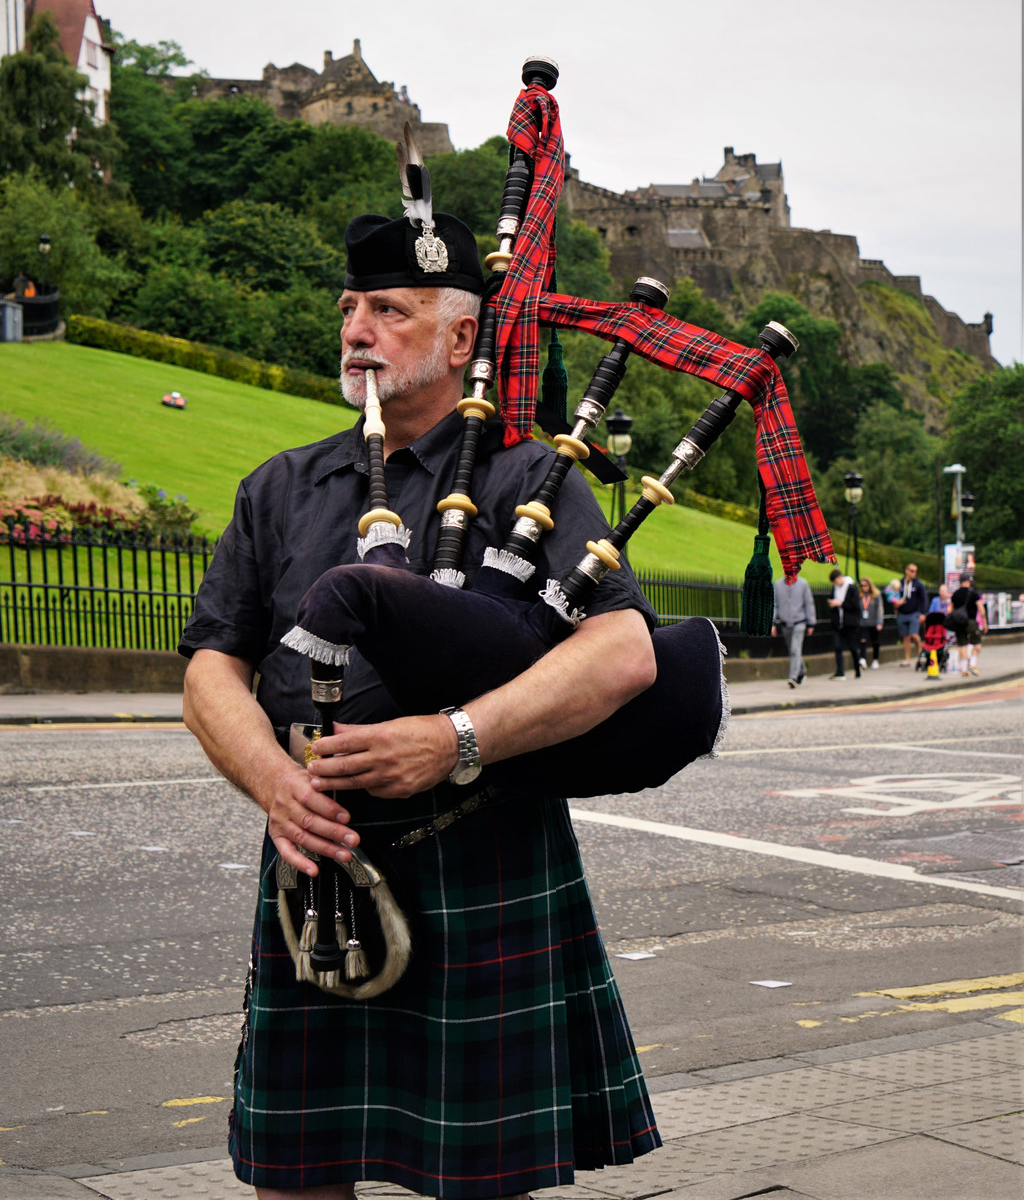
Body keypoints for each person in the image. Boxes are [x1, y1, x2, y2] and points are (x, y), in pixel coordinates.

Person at [180, 207, 662, 1199]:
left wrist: (458, 738)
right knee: (295, 1170)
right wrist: (275, 780)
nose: (357, 326)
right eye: (350, 305)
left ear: (459, 339)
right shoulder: (277, 489)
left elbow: (621, 650)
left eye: (389, 309)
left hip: (478, 839)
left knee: (477, 1175)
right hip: (318, 855)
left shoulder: (528, 476)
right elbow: (208, 669)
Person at [771, 572, 816, 689]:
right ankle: (802, 671)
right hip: (785, 624)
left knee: (795, 649)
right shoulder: (777, 584)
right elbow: (774, 604)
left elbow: (809, 603)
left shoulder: (803, 584)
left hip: (799, 622)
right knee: (793, 650)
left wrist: (811, 622)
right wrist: (772, 623)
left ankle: (793, 677)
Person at [827, 567, 861, 679]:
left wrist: (840, 603)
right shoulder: (835, 589)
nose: (835, 583)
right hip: (837, 623)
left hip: (849, 623)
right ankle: (840, 672)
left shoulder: (851, 588)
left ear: (840, 578)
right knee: (837, 647)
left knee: (852, 647)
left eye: (835, 581)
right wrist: (833, 604)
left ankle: (857, 669)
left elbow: (855, 606)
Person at [891, 562, 927, 666]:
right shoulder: (900, 583)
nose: (914, 573)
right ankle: (907, 660)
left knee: (913, 634)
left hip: (914, 613)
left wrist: (923, 613)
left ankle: (920, 653)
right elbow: (893, 596)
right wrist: (896, 603)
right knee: (905, 637)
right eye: (912, 571)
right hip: (902, 613)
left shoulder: (918, 584)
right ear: (906, 571)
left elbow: (924, 599)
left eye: (915, 571)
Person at [949, 574, 985, 676]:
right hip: (971, 622)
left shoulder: (955, 594)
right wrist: (985, 624)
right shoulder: (973, 594)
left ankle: (964, 669)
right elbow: (981, 610)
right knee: (977, 643)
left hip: (959, 623)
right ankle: (972, 664)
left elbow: (950, 610)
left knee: (962, 645)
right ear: (968, 581)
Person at [857, 577, 884, 669]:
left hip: (873, 622)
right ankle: (862, 659)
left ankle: (875, 659)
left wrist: (879, 622)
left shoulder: (875, 595)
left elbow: (879, 609)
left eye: (865, 585)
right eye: (862, 585)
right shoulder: (860, 596)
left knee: (875, 641)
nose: (864, 587)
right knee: (863, 640)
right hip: (863, 622)